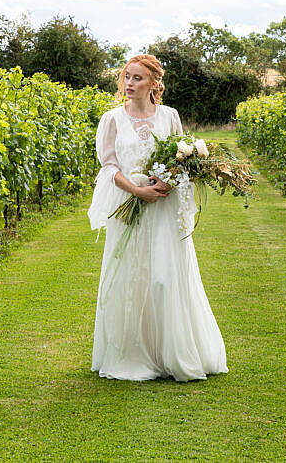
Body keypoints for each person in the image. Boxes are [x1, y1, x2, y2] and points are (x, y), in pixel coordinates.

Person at [87, 54, 229, 382]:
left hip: (164, 207)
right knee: (131, 277)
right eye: (126, 77)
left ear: (154, 83)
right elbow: (109, 167)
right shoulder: (112, 119)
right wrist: (138, 193)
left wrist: (168, 179)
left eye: (137, 78)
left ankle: (171, 352)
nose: (129, 84)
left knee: (164, 278)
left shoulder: (170, 116)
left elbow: (182, 155)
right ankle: (134, 353)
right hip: (130, 206)